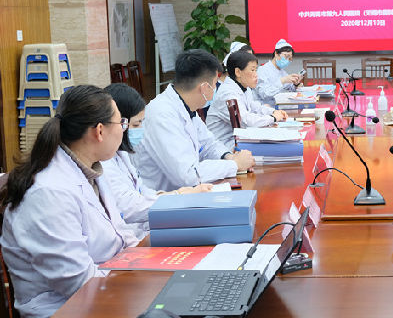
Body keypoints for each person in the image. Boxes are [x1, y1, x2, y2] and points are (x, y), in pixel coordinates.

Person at [1, 85, 138, 318]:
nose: (124, 130)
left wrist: (149, 264)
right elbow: (78, 282)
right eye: (121, 123)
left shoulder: (91, 171)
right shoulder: (48, 193)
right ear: (99, 131)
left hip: (107, 291)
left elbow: (121, 233)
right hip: (64, 311)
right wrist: (137, 286)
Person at [132, 49, 254, 191]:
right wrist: (235, 165)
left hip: (188, 191)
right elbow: (187, 174)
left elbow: (208, 143)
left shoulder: (186, 107)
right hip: (163, 197)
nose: (216, 89)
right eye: (215, 84)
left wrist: (228, 157)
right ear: (204, 88)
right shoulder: (161, 114)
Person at [102, 83, 212, 239]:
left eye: (141, 123)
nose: (141, 129)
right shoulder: (105, 163)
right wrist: (178, 197)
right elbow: (130, 207)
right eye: (136, 124)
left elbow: (142, 191)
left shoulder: (121, 155)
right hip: (132, 237)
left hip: (143, 228)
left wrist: (177, 194)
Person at [207, 51, 288, 148]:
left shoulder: (244, 88)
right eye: (252, 70)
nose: (256, 75)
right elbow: (245, 121)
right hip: (224, 145)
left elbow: (255, 107)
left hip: (240, 138)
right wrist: (273, 118)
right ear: (238, 72)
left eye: (256, 70)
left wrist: (273, 111)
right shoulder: (228, 93)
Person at [254, 38, 302, 106]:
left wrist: (295, 84)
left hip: (280, 105)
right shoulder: (263, 70)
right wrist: (282, 81)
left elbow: (289, 87)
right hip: (267, 107)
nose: (288, 60)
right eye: (286, 56)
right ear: (276, 54)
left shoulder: (282, 72)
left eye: (290, 58)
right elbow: (264, 94)